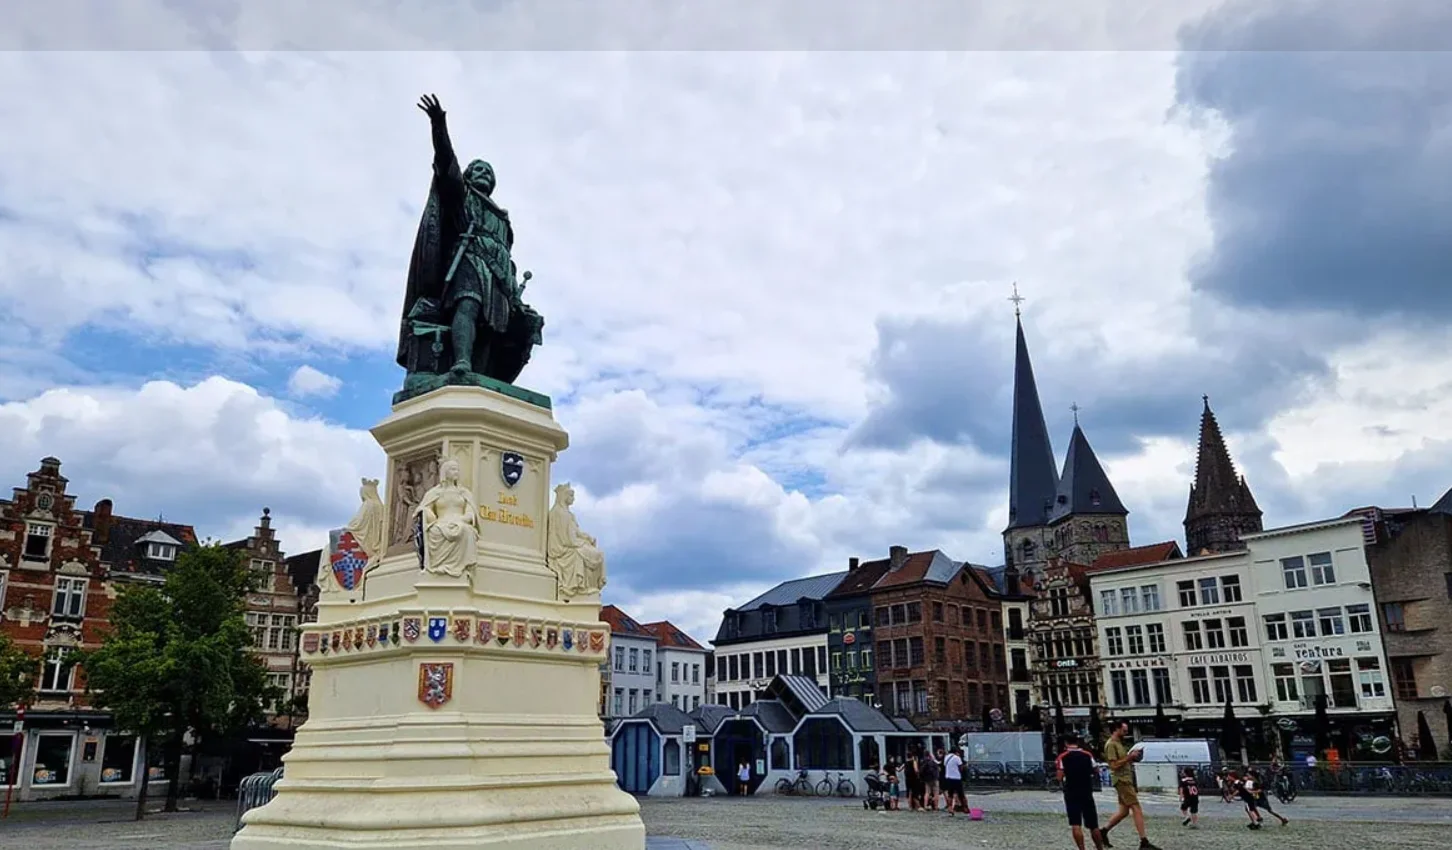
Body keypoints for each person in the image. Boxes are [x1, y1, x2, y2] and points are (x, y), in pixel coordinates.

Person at [1100, 723, 1160, 850]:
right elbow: (1113, 765)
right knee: (1136, 808)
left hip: (1125, 779)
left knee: (1124, 811)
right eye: (1124, 730)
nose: (1126, 732)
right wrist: (1129, 757)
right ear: (1116, 729)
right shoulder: (1111, 744)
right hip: (1122, 780)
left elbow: (1122, 761)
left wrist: (1132, 757)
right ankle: (1144, 841)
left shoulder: (1118, 743)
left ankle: (1103, 831)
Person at [1057, 735, 1105, 850]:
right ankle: (1099, 847)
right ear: (1077, 742)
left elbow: (1059, 776)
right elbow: (1096, 770)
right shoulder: (1087, 755)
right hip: (1086, 791)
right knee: (1093, 824)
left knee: (1075, 823)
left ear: (1066, 743)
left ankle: (1082, 848)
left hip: (1071, 791)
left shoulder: (1062, 757)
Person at [942, 746, 968, 815]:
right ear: (956, 752)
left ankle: (950, 808)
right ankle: (965, 807)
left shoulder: (946, 757)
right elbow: (961, 768)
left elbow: (945, 765)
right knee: (961, 794)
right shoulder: (957, 758)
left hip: (948, 778)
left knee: (950, 794)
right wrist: (964, 767)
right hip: (956, 778)